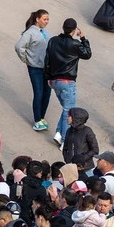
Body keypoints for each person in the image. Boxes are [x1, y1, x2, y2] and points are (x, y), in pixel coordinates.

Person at [44, 18, 92, 146]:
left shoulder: (53, 40)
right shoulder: (75, 44)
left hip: (54, 80)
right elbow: (87, 54)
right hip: (67, 81)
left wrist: (48, 77)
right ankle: (65, 139)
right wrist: (83, 38)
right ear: (74, 30)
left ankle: (59, 133)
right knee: (69, 111)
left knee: (66, 108)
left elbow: (47, 60)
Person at [15, 9, 51, 132]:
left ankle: (42, 117)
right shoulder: (30, 33)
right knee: (39, 93)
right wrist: (26, 60)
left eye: (48, 19)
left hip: (46, 68)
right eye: (45, 19)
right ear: (37, 19)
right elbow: (19, 47)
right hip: (35, 68)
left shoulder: (45, 32)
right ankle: (37, 120)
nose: (47, 22)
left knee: (47, 93)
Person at [61, 107, 98, 174]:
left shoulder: (87, 131)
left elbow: (95, 150)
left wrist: (81, 159)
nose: (67, 118)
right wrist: (69, 161)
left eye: (69, 116)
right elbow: (65, 149)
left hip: (86, 169)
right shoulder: (69, 131)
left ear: (76, 119)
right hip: (72, 169)